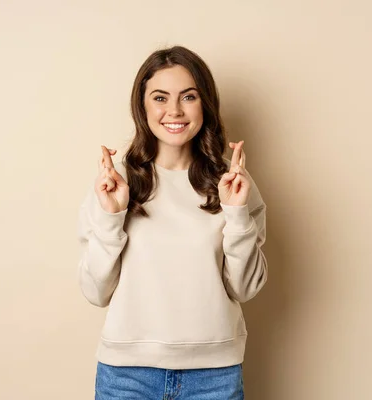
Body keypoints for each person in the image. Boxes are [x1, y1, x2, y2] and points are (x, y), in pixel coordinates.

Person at [77, 45, 267, 399]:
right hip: (126, 377)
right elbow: (95, 291)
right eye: (160, 98)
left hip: (214, 377)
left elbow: (245, 288)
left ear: (205, 103)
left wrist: (237, 214)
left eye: (189, 96)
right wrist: (112, 215)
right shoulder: (115, 183)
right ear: (143, 106)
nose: (175, 111)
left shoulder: (232, 183)